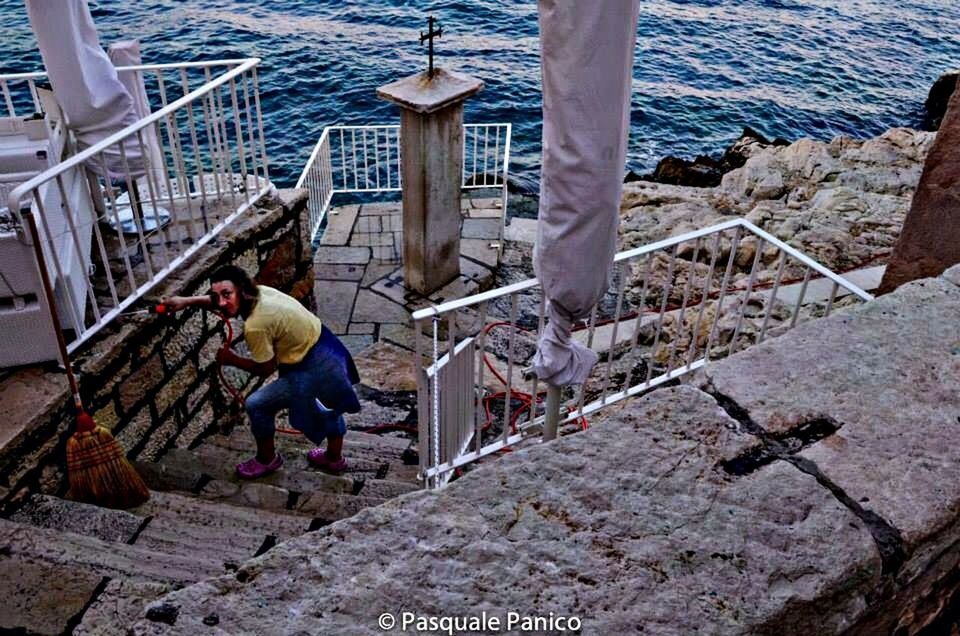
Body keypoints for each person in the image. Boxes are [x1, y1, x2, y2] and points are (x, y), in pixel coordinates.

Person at [165, 265, 360, 478]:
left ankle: (267, 460)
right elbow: (220, 298)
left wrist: (231, 359)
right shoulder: (260, 292)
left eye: (227, 295)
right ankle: (334, 459)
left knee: (257, 405)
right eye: (216, 296)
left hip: (312, 367)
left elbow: (265, 368)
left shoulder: (256, 325)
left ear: (241, 290)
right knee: (328, 403)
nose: (220, 302)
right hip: (328, 347)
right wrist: (184, 301)